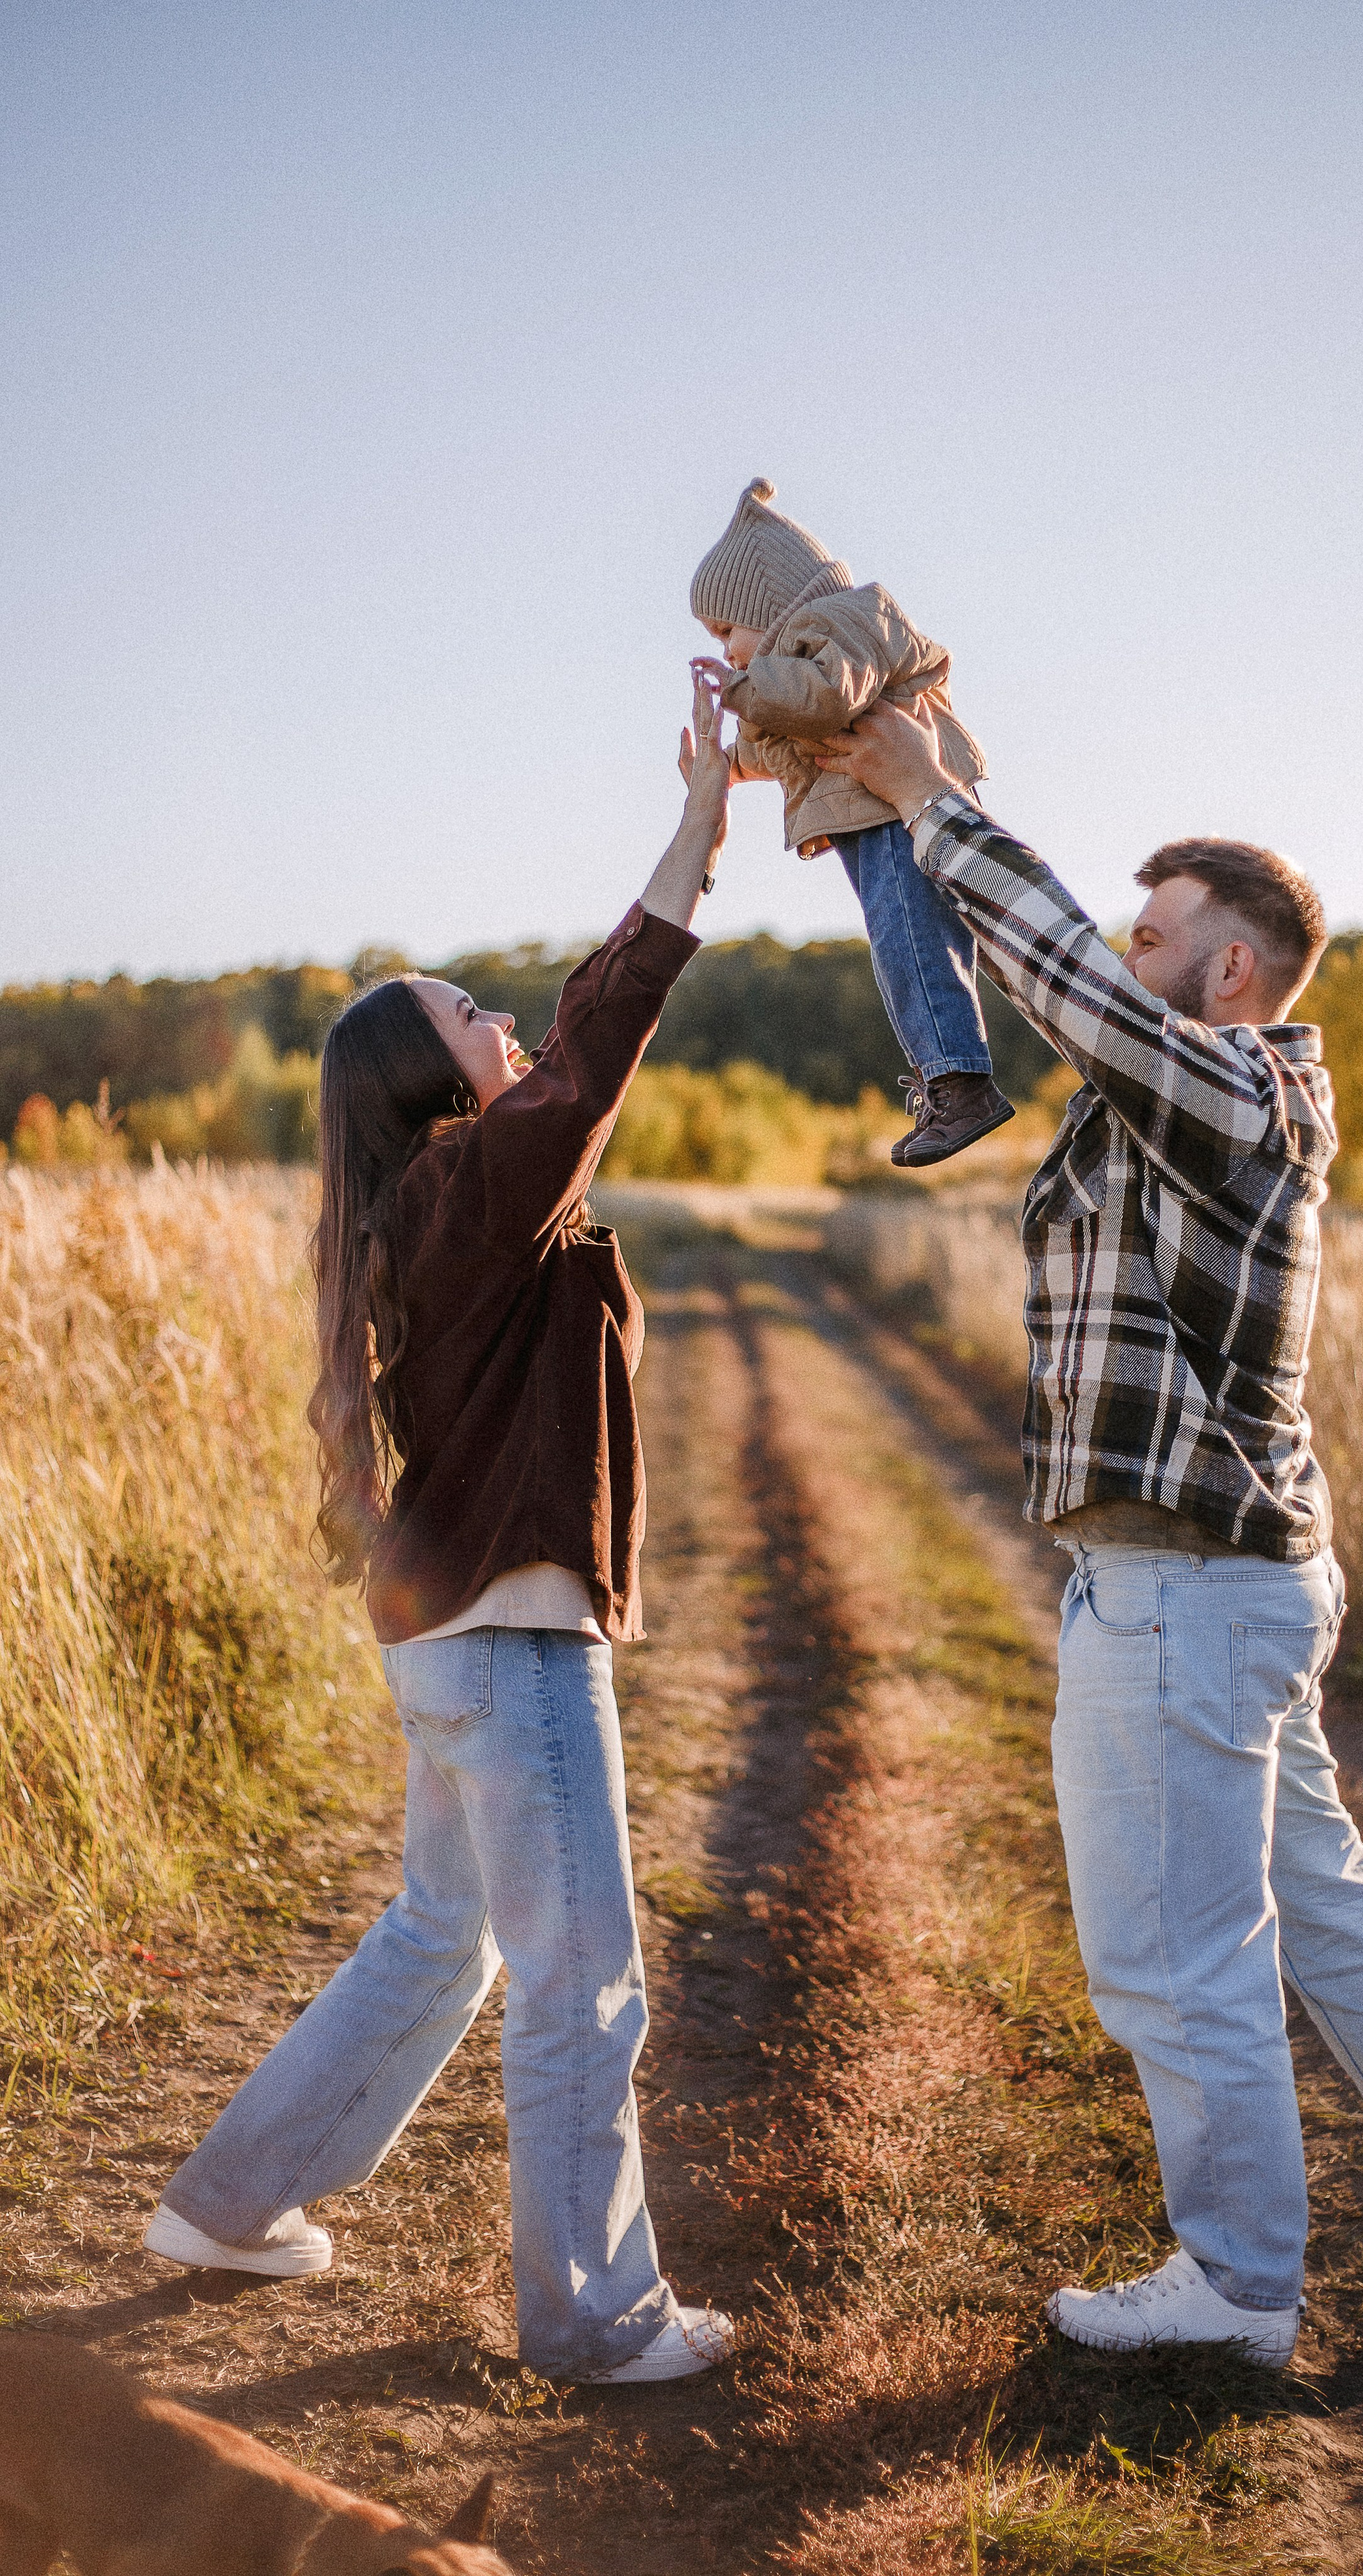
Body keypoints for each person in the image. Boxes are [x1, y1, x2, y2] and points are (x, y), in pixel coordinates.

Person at [812, 698, 1363, 2367]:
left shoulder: (1236, 1096)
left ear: (1228, 971)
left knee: (1172, 1951)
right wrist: (933, 810)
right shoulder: (1192, 1094)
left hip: (1181, 1591)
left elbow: (1068, 979)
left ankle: (1233, 2284)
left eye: (1155, 935)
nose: (1118, 953)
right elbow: (1040, 971)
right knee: (1322, 1903)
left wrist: (933, 802)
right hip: (1229, 1584)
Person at [142, 678, 738, 2388]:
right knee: (580, 1983)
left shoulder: (433, 1205)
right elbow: (603, 1038)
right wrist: (694, 835)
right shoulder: (469, 1189)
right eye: (474, 1013)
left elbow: (571, 1067)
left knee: (443, 1933)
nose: (507, 1024)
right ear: (436, 1076)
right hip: (508, 1634)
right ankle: (592, 2316)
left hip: (450, 1639)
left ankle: (231, 2199)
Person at [689, 476, 1014, 1167]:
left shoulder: (845, 621)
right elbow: (781, 743)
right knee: (900, 943)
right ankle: (943, 1076)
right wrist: (723, 766)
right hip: (873, 815)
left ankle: (960, 1081)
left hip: (901, 808)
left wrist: (743, 691)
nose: (725, 651)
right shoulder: (789, 666)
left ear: (769, 603)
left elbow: (827, 696)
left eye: (726, 630)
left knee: (913, 939)